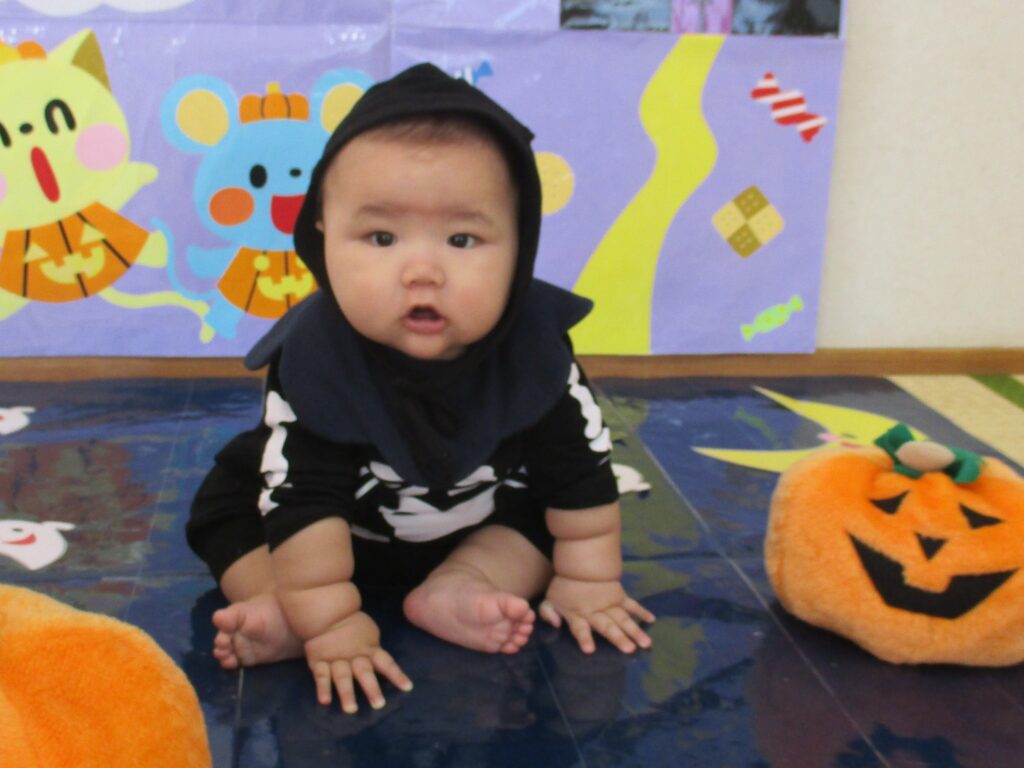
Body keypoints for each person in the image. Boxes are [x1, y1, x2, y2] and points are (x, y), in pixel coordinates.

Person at [186, 63, 654, 716]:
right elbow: (304, 499)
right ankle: (276, 603)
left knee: (550, 522)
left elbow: (581, 475)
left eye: (462, 239)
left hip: (477, 522)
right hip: (321, 533)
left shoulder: (535, 353)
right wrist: (328, 622)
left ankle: (462, 585)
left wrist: (589, 579)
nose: (422, 271)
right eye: (381, 237)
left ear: (519, 245)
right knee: (230, 510)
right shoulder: (318, 361)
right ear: (322, 235)